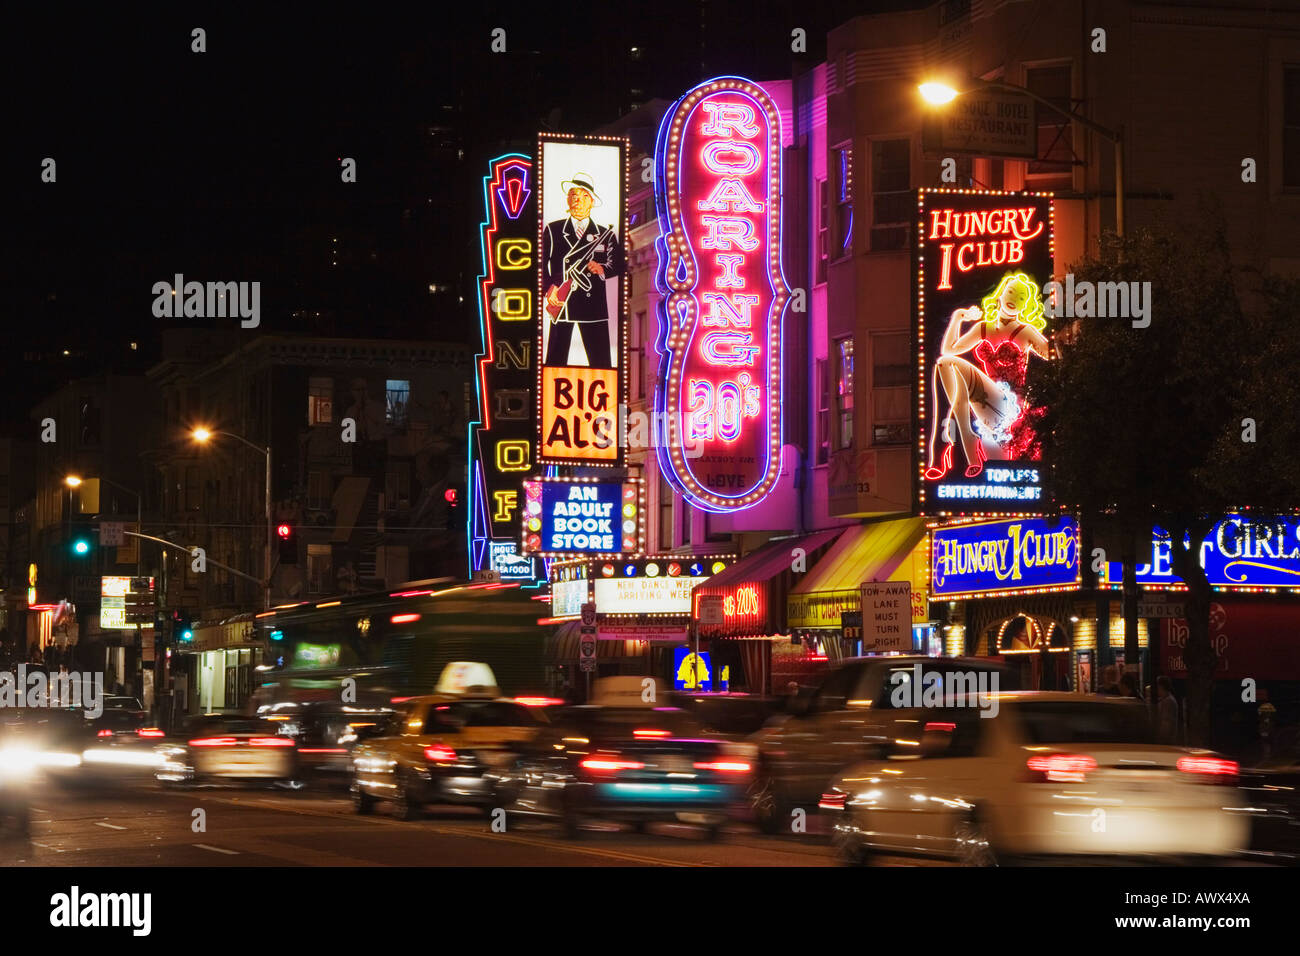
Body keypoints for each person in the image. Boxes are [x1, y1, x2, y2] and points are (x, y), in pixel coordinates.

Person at [924, 272, 1052, 480]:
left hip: (1010, 406)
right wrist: (958, 318)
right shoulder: (982, 328)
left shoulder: (1026, 332)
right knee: (944, 365)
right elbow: (948, 350)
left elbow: (1053, 354)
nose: (1013, 299)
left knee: (1002, 467)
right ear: (1000, 296)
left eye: (1020, 297)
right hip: (984, 403)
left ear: (1025, 305)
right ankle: (964, 443)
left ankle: (956, 443)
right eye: (1010, 292)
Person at [542, 173, 625, 369]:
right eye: (573, 195)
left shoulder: (605, 233)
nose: (577, 200)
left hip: (593, 305)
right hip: (563, 304)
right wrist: (549, 288)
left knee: (602, 365)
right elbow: (540, 264)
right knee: (555, 361)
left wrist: (601, 268)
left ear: (592, 201)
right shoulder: (553, 230)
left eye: (583, 196)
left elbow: (619, 264)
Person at [1156, 676, 1180, 744]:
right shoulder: (1165, 699)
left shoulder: (1168, 701)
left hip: (1166, 741)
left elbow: (1166, 723)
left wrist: (1160, 738)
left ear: (1161, 687)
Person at [1258, 687, 1277, 762]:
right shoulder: (1269, 706)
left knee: (1266, 741)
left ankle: (1267, 755)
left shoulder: (1263, 707)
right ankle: (1268, 755)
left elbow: (1260, 715)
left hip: (1266, 726)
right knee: (1268, 741)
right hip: (1267, 726)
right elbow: (1273, 714)